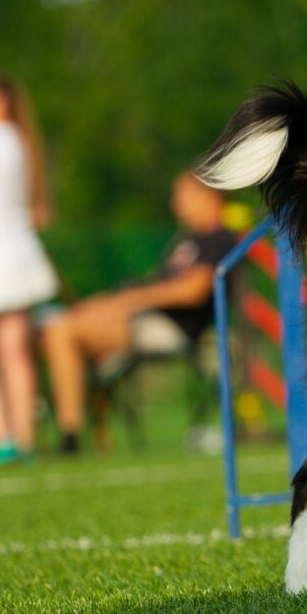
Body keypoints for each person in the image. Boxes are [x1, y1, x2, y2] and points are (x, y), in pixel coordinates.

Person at [43, 172, 236, 454]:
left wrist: (128, 302)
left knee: (61, 331)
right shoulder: (186, 240)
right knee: (54, 326)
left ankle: (69, 436)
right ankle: (52, 429)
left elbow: (194, 290)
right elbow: (158, 284)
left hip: (172, 327)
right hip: (145, 319)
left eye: (181, 195)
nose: (175, 203)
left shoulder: (219, 238)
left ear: (209, 196)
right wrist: (110, 302)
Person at [0, 71, 58, 466]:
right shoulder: (19, 140)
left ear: (0, 100)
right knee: (15, 351)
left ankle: (0, 435)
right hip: (19, 250)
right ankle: (25, 439)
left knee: (9, 350)